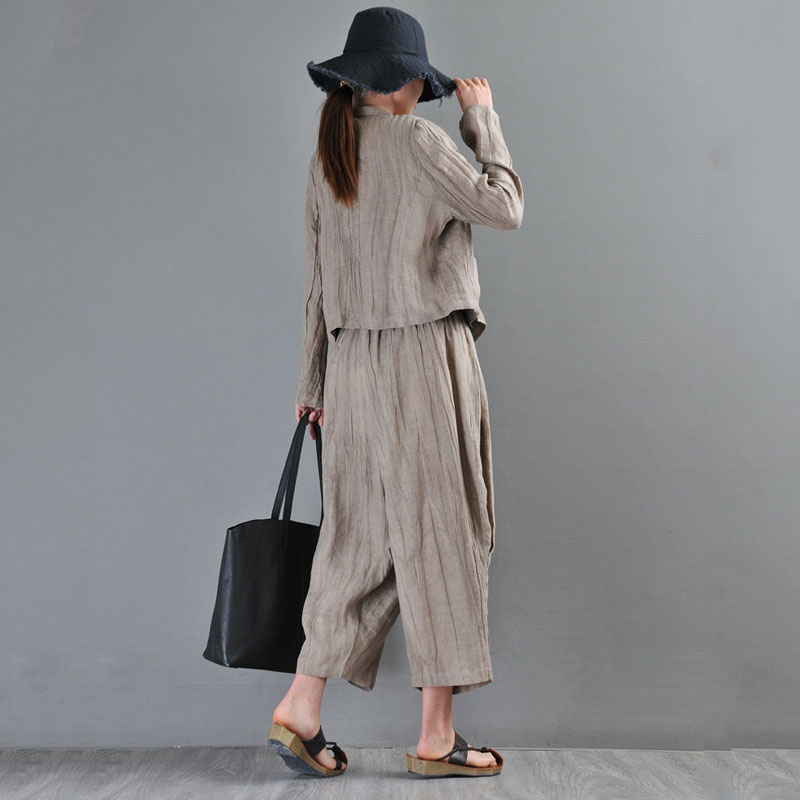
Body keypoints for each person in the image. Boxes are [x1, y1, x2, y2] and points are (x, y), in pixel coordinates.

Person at [267, 6, 523, 779]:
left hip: (349, 369)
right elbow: (505, 207)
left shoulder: (329, 156)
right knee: (447, 532)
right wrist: (482, 122)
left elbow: (317, 286)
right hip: (423, 360)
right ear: (404, 78)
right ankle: (436, 737)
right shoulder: (419, 141)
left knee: (357, 540)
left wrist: (312, 383)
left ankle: (300, 706)